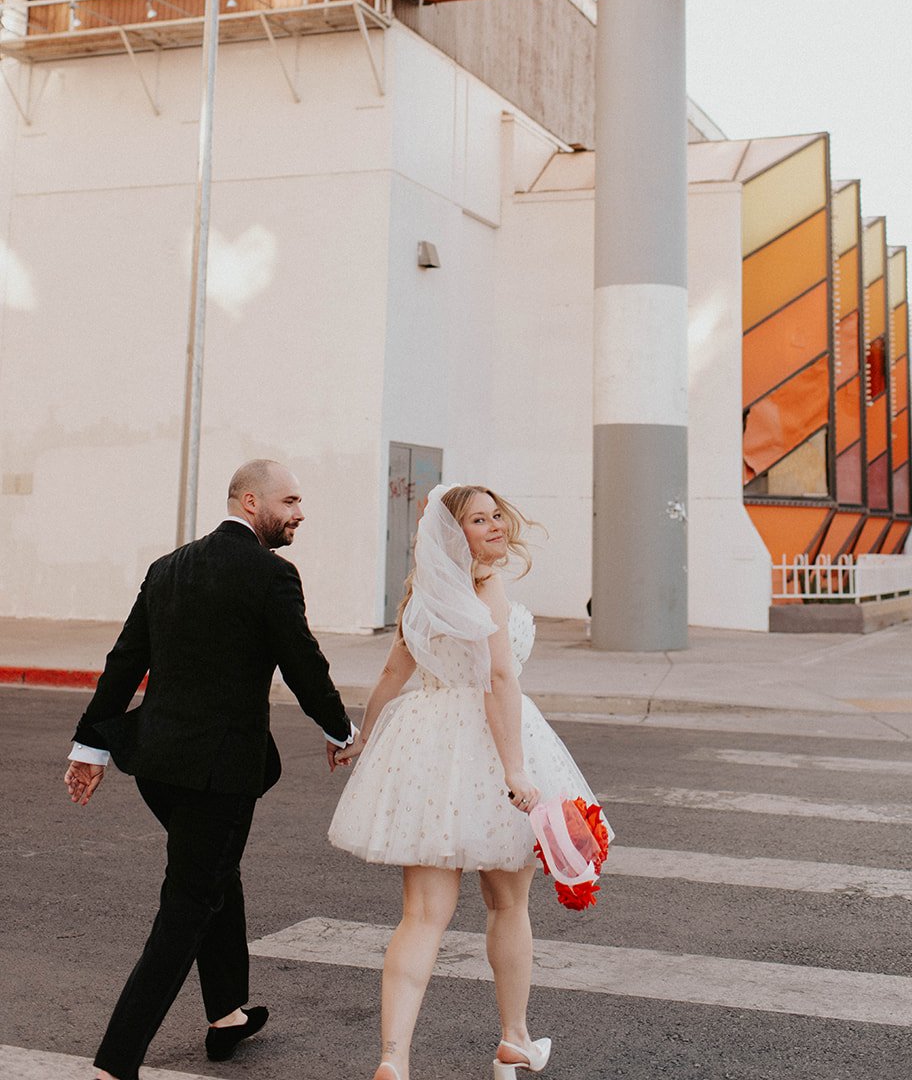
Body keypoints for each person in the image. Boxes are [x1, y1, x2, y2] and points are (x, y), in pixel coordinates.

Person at [64, 459, 355, 1080]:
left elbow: (124, 662)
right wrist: (341, 730)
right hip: (218, 770)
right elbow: (303, 662)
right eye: (292, 500)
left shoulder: (167, 568)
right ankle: (113, 1064)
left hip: (156, 765)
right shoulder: (272, 575)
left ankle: (226, 1013)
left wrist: (89, 749)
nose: (300, 513)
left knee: (213, 867)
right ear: (251, 501)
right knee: (190, 900)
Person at [328, 483, 608, 1080]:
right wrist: (514, 770)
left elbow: (391, 673)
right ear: (456, 535)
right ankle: (514, 1038)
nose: (496, 527)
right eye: (479, 521)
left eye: (496, 516)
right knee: (508, 903)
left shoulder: (422, 591)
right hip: (491, 744)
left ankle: (394, 1060)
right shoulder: (486, 584)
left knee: (423, 915)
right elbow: (500, 678)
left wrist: (364, 739)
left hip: (427, 748)